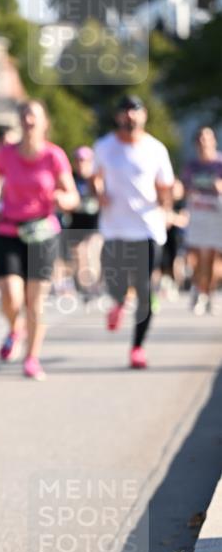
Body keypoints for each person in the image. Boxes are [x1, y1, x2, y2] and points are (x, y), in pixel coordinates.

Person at [0, 99, 79, 380]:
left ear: (44, 123)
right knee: (10, 295)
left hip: (42, 232)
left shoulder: (54, 156)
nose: (29, 121)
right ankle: (15, 328)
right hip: (9, 230)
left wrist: (63, 198)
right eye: (25, 116)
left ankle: (31, 357)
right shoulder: (5, 154)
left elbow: (73, 196)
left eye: (34, 116)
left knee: (35, 301)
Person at [92, 95, 174, 368]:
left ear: (144, 115)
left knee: (144, 288)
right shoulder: (104, 146)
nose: (130, 116)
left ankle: (137, 347)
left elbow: (165, 186)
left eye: (135, 111)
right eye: (125, 111)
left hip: (147, 228)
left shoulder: (156, 149)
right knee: (115, 281)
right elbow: (94, 177)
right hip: (114, 227)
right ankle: (118, 302)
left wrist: (166, 205)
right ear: (118, 116)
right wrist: (98, 193)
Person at [181, 126, 222, 316]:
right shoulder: (192, 166)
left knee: (214, 258)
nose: (204, 142)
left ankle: (209, 293)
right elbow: (184, 188)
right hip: (197, 215)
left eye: (207, 138)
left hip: (217, 216)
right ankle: (198, 290)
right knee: (197, 257)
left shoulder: (220, 163)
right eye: (200, 139)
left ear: (214, 141)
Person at [65, 145, 101, 301]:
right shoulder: (71, 178)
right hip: (76, 221)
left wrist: (96, 185)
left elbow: (103, 197)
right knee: (79, 255)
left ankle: (93, 285)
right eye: (78, 160)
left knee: (92, 251)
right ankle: (84, 287)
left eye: (84, 160)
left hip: (94, 222)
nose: (81, 164)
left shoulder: (96, 177)